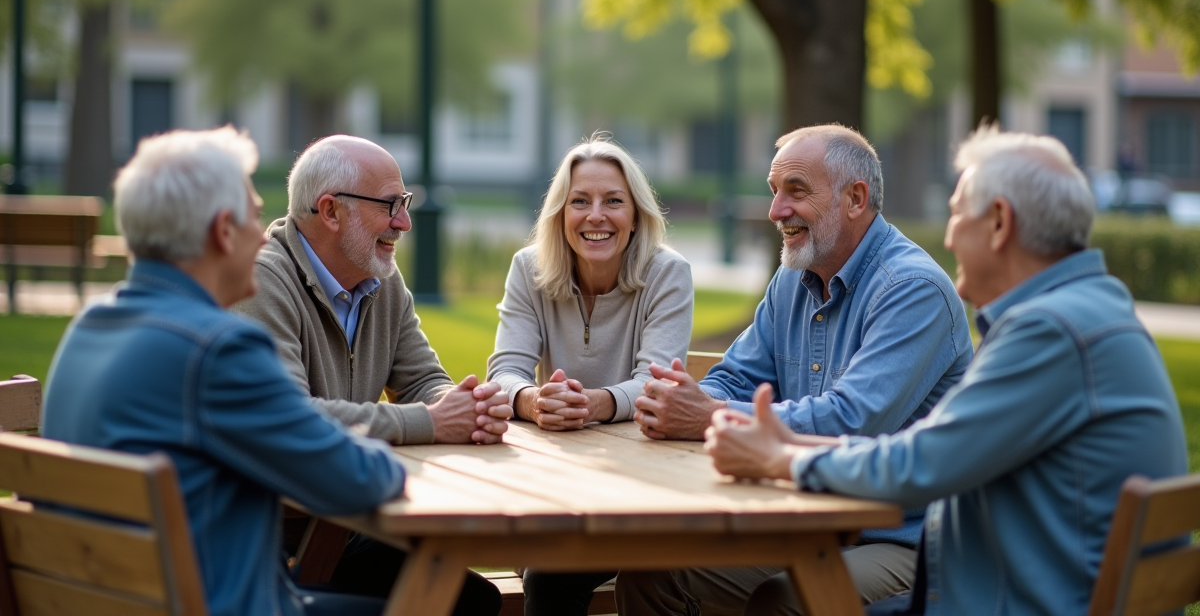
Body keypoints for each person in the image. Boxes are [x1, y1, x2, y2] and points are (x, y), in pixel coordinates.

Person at [705, 126, 1189, 616]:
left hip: (1009, 600)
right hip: (1015, 586)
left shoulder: (1050, 330)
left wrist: (782, 459)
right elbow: (933, 452)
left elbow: (922, 463)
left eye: (957, 214)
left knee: (787, 604)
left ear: (999, 223)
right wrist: (783, 445)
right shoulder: (1089, 311)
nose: (950, 236)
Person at [41, 128, 406, 616]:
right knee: (449, 600)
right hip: (223, 604)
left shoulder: (88, 328)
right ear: (221, 231)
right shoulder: (216, 352)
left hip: (111, 599)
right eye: (254, 216)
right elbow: (359, 481)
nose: (264, 235)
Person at [619, 124, 975, 615]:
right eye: (773, 191)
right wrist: (689, 398)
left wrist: (708, 415)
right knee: (652, 572)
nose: (775, 210)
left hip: (907, 539)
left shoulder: (912, 290)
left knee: (785, 600)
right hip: (805, 524)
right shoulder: (793, 279)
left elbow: (850, 421)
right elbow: (734, 376)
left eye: (796, 191)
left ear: (855, 198)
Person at [235, 134, 508, 614]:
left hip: (342, 519)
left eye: (403, 204)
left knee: (469, 598)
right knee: (459, 603)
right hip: (272, 543)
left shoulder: (379, 276)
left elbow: (422, 381)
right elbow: (291, 416)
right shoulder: (260, 281)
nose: (403, 222)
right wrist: (432, 421)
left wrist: (468, 405)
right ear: (331, 211)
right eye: (390, 205)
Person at [487, 133, 693, 616]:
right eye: (579, 201)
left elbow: (657, 383)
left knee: (549, 575)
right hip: (553, 486)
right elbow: (505, 371)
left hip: (643, 489)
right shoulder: (529, 268)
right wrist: (533, 402)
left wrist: (594, 404)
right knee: (538, 569)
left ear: (637, 216)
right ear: (560, 215)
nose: (595, 216)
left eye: (613, 202)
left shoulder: (668, 273)